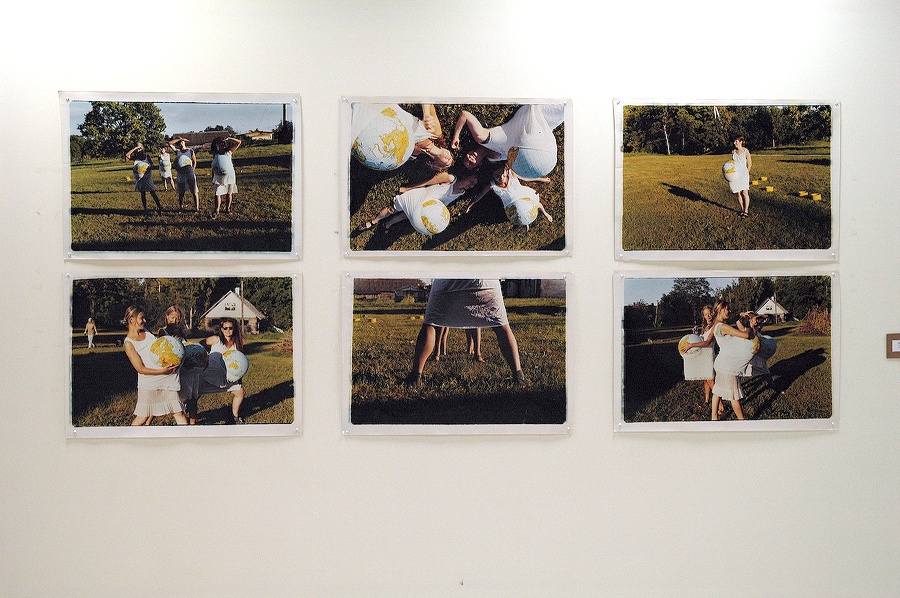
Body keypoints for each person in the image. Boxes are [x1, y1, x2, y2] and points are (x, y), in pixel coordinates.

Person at [406, 279, 525, 386]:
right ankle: (518, 375)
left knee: (430, 323)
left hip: (447, 281)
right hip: (484, 281)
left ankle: (415, 376)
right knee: (502, 326)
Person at [451, 104, 565, 174]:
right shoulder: (495, 160)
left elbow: (465, 115)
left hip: (534, 113)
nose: (469, 159)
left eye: (465, 159)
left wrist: (456, 137)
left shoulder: (482, 138)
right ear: (479, 165)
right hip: (545, 131)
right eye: (471, 164)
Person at [122, 305, 187, 426]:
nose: (145, 320)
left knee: (179, 413)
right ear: (131, 319)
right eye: (142, 318)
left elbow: (160, 347)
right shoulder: (129, 343)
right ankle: (129, 436)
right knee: (142, 417)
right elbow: (140, 369)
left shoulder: (146, 331)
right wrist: (163, 371)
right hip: (149, 383)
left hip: (168, 379)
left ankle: (186, 437)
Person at [354, 173, 477, 233]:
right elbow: (428, 182)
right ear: (466, 176)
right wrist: (408, 188)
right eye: (471, 181)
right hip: (416, 197)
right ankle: (374, 222)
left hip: (425, 209)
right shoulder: (450, 179)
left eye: (473, 185)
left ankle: (387, 225)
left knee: (405, 216)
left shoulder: (461, 193)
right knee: (392, 209)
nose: (471, 185)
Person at [466, 164, 553, 227]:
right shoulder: (492, 185)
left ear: (506, 171)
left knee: (536, 204)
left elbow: (525, 178)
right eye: (497, 176)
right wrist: (470, 205)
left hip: (523, 195)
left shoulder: (512, 174)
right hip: (510, 205)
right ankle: (525, 221)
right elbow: (480, 195)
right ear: (492, 176)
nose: (501, 177)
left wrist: (540, 179)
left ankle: (545, 213)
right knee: (518, 214)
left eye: (502, 173)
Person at [156, 305, 202, 425]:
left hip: (186, 367)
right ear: (167, 317)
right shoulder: (162, 331)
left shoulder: (181, 331)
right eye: (172, 318)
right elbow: (163, 350)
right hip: (173, 370)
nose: (175, 321)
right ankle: (147, 422)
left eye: (177, 318)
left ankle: (193, 423)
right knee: (170, 398)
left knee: (192, 398)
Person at [709, 300, 753, 421]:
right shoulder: (723, 327)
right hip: (728, 366)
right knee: (734, 396)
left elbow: (733, 321)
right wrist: (749, 328)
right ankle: (742, 421)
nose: (729, 311)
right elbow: (746, 335)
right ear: (721, 310)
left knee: (717, 391)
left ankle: (714, 417)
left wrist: (741, 315)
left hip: (721, 363)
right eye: (727, 309)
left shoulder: (716, 325)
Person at [200, 318, 247, 424]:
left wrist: (239, 379)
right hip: (209, 376)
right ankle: (187, 415)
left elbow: (239, 364)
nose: (228, 330)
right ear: (221, 329)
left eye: (230, 328)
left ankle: (235, 417)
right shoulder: (216, 339)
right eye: (225, 328)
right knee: (194, 395)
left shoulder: (237, 344)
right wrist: (205, 354)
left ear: (234, 329)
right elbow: (200, 345)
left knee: (240, 393)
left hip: (227, 379)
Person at [683, 304, 717, 405]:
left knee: (710, 380)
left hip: (709, 354)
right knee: (705, 379)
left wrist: (691, 345)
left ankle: (720, 405)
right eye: (706, 314)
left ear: (713, 313)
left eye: (710, 313)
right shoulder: (705, 327)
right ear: (703, 316)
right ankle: (707, 399)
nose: (708, 316)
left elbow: (707, 342)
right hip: (703, 355)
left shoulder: (715, 326)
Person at [124, 143, 163, 213]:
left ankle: (159, 207)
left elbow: (152, 165)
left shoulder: (147, 156)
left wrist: (149, 169)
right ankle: (145, 209)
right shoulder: (136, 157)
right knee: (143, 193)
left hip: (147, 178)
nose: (139, 149)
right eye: (137, 146)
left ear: (143, 148)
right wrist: (136, 148)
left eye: (140, 147)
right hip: (140, 179)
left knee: (152, 192)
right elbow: (127, 155)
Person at [210, 136, 242, 217]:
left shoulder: (229, 152)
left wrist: (229, 138)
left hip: (229, 176)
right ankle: (217, 211)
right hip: (218, 176)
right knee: (217, 193)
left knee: (229, 193)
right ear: (218, 144)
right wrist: (213, 177)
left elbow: (239, 142)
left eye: (224, 143)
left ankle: (227, 209)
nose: (222, 144)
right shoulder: (216, 154)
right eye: (220, 143)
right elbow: (214, 166)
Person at [170, 137, 199, 211]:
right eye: (179, 143)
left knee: (194, 191)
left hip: (189, 172)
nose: (181, 143)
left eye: (182, 142)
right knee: (181, 192)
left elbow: (194, 161)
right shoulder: (178, 151)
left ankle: (196, 207)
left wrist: (192, 170)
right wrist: (179, 139)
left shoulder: (190, 151)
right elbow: (169, 144)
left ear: (184, 142)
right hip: (181, 173)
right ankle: (181, 207)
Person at [730, 135, 753, 217]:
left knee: (744, 193)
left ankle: (746, 211)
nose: (734, 143)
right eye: (734, 141)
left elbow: (750, 164)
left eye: (736, 141)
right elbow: (732, 164)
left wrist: (746, 173)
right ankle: (742, 209)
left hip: (744, 175)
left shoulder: (746, 151)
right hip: (736, 175)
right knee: (739, 193)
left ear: (741, 142)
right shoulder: (733, 152)